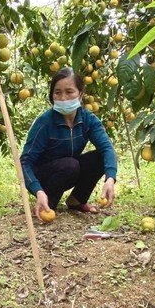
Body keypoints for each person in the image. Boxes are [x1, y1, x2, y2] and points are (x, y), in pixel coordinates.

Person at [20, 67, 117, 220]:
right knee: (70, 165)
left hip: (70, 168)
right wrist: (38, 190)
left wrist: (110, 178)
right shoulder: (45, 123)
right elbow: (25, 162)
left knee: (98, 158)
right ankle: (47, 201)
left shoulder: (88, 120)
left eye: (69, 91)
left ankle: (76, 200)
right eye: (57, 92)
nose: (63, 98)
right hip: (46, 175)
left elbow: (107, 148)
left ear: (81, 95)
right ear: (52, 96)